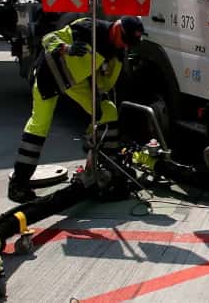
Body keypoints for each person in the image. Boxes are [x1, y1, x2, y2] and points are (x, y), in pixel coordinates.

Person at [8, 14, 145, 202]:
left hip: (77, 82)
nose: (125, 46)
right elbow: (48, 38)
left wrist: (99, 96)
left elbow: (106, 84)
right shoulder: (88, 27)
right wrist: (66, 48)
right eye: (125, 40)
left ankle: (110, 167)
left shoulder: (118, 53)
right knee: (40, 125)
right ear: (116, 28)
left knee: (108, 111)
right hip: (51, 75)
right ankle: (18, 184)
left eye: (130, 43)